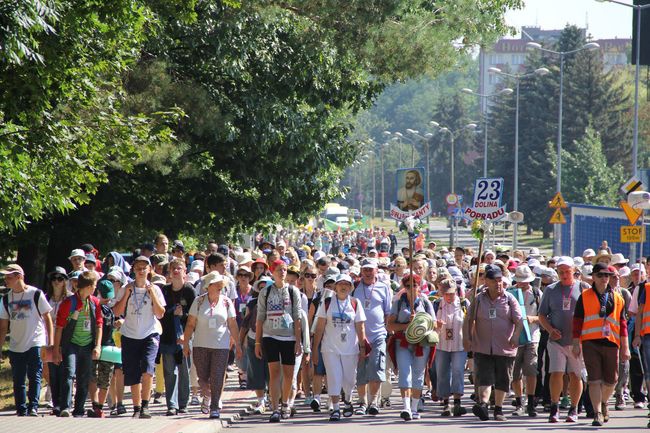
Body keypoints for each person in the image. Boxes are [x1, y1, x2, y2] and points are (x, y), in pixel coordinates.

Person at [463, 264, 523, 422]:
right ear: (486, 282)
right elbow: (469, 319)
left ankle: (498, 409)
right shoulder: (478, 299)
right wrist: (467, 338)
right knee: (484, 378)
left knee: (503, 379)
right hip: (482, 346)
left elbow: (519, 321)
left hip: (505, 347)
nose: (499, 284)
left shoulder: (509, 299)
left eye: (500, 280)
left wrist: (516, 336)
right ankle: (483, 405)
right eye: (495, 281)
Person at [180, 271, 242, 419]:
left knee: (217, 375)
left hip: (221, 345)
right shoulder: (199, 301)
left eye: (221, 284)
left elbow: (232, 324)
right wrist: (186, 344)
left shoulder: (226, 302)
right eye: (217, 284)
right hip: (200, 344)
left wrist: (238, 344)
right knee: (202, 376)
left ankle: (214, 406)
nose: (220, 286)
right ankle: (206, 396)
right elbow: (190, 324)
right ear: (209, 286)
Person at [112, 256, 166, 419]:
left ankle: (145, 405)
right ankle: (136, 408)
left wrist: (151, 294)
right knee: (133, 373)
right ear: (133, 270)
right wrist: (126, 294)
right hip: (129, 334)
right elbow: (116, 312)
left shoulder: (155, 289)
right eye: (138, 268)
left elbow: (160, 314)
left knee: (148, 369)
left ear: (149, 270)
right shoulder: (126, 288)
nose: (141, 271)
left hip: (150, 333)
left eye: (144, 268)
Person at [576, 263, 630, 427]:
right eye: (600, 275)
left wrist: (625, 347)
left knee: (612, 380)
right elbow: (577, 321)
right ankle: (597, 412)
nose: (604, 278)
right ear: (593, 277)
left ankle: (605, 402)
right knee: (594, 380)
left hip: (611, 343)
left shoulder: (618, 299)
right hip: (590, 342)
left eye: (607, 275)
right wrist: (575, 343)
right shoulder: (584, 296)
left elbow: (623, 324)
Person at [0, 264, 54, 416]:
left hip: (35, 341)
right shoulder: (6, 299)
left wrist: (49, 342)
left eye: (9, 277)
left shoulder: (35, 294)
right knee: (18, 379)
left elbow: (47, 317)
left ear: (19, 277)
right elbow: (3, 327)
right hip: (16, 344)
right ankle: (21, 408)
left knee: (35, 375)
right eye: (5, 277)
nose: (6, 280)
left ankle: (33, 407)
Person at [537, 256, 586, 423]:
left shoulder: (583, 288)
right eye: (561, 272)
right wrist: (550, 330)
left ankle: (574, 409)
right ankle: (554, 407)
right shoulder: (550, 290)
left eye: (567, 272)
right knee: (556, 373)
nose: (564, 275)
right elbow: (542, 315)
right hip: (556, 341)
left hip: (576, 341)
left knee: (575, 374)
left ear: (574, 271)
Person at [312, 274, 367, 421]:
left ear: (350, 287)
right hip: (330, 347)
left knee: (350, 379)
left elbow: (360, 327)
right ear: (335, 287)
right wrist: (315, 349)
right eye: (340, 283)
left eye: (347, 284)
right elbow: (320, 327)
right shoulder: (327, 303)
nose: (343, 286)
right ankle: (335, 409)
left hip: (351, 348)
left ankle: (348, 400)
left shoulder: (355, 303)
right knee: (333, 377)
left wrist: (363, 348)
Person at [255, 259, 303, 422]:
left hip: (289, 336)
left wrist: (298, 340)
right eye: (279, 270)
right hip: (270, 336)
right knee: (274, 373)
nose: (283, 272)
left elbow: (297, 316)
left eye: (285, 269)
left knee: (289, 374)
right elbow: (260, 317)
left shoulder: (293, 290)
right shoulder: (265, 292)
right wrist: (257, 342)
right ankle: (274, 408)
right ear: (272, 272)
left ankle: (285, 403)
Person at [52, 271, 103, 417]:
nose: (95, 288)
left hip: (87, 345)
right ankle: (65, 407)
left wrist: (97, 346)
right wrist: (56, 350)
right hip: (71, 344)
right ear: (86, 286)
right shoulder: (69, 302)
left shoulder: (95, 303)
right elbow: (60, 327)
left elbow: (99, 325)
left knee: (84, 377)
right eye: (93, 285)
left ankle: (79, 409)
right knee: (69, 373)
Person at [387, 274, 435, 421]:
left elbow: (434, 324)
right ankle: (406, 407)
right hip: (403, 342)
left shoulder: (425, 302)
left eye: (414, 285)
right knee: (404, 372)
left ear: (419, 286)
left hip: (421, 343)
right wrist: (408, 325)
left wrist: (419, 324)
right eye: (408, 286)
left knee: (418, 374)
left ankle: (415, 408)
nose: (411, 288)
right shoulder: (398, 303)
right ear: (404, 287)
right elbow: (390, 325)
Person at [352, 258, 391, 416]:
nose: (368, 273)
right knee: (361, 369)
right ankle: (362, 402)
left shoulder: (384, 288)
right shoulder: (354, 287)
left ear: (376, 270)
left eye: (371, 269)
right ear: (361, 271)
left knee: (376, 367)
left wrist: (386, 331)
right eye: (365, 269)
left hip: (378, 335)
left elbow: (387, 312)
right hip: (358, 336)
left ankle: (374, 401)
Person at [159, 258, 196, 415]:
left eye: (179, 268)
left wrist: (183, 314)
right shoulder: (164, 290)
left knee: (183, 371)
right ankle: (171, 405)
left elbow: (195, 316)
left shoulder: (189, 290)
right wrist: (171, 313)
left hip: (184, 337)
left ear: (185, 272)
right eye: (173, 268)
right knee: (169, 372)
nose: (175, 271)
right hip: (167, 337)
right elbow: (159, 313)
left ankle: (183, 403)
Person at [508, 264, 542, 417]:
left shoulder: (537, 293)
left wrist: (532, 318)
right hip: (514, 337)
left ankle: (530, 403)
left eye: (526, 280)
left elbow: (544, 317)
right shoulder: (509, 293)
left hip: (532, 337)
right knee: (514, 373)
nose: (523, 283)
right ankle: (519, 402)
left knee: (531, 369)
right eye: (521, 280)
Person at [434, 278, 468, 417]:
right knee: (442, 372)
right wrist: (436, 325)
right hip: (441, 344)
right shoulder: (436, 304)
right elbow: (430, 323)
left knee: (458, 371)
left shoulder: (464, 304)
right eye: (446, 293)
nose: (449, 296)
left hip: (459, 344)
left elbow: (471, 322)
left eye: (451, 293)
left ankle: (457, 402)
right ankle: (446, 402)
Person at [87, 280, 118, 418]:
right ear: (97, 292)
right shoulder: (93, 307)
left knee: (105, 378)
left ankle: (99, 406)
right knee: (93, 376)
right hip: (94, 346)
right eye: (105, 295)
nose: (107, 299)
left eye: (108, 296)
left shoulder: (109, 309)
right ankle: (96, 405)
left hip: (108, 346)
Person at [43, 267, 70, 415]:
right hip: (49, 339)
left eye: (60, 278)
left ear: (65, 281)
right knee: (51, 372)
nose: (56, 281)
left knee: (65, 371)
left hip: (65, 339)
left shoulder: (70, 298)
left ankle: (65, 403)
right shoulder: (46, 298)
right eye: (53, 278)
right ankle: (56, 403)